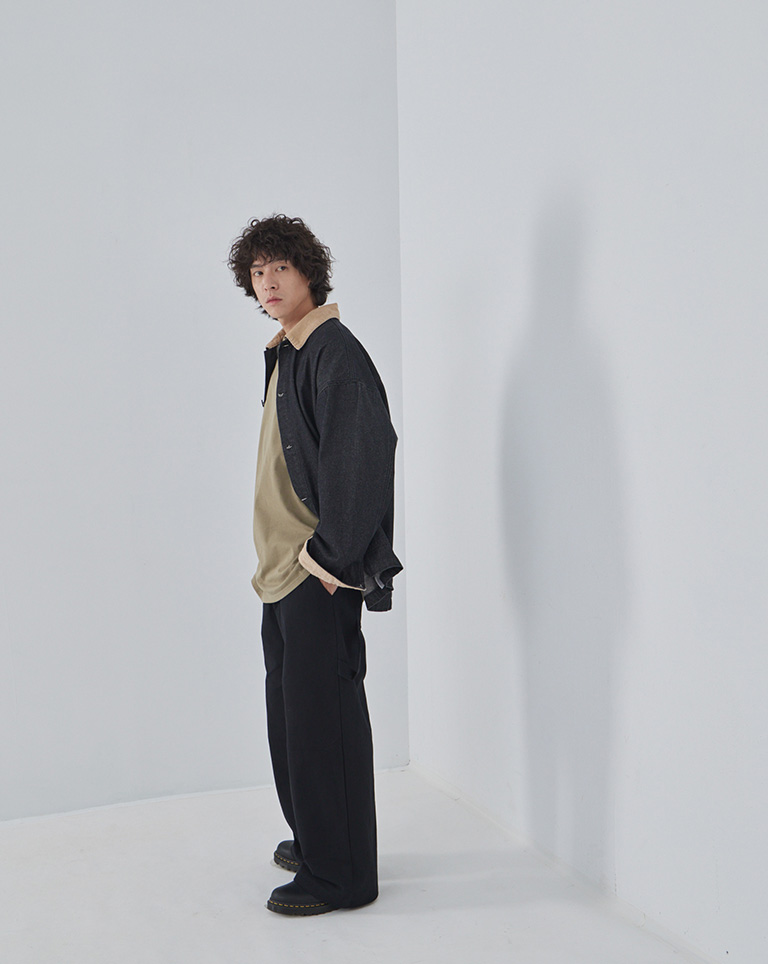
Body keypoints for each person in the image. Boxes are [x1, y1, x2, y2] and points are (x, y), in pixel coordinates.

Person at [227, 214, 402, 916]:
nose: (267, 282)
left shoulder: (334, 351)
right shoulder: (289, 351)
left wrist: (328, 560)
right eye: (257, 271)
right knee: (294, 720)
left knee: (324, 722)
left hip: (314, 571)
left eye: (280, 268)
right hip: (280, 571)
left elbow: (365, 458)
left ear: (309, 273)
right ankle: (319, 841)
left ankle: (343, 876)